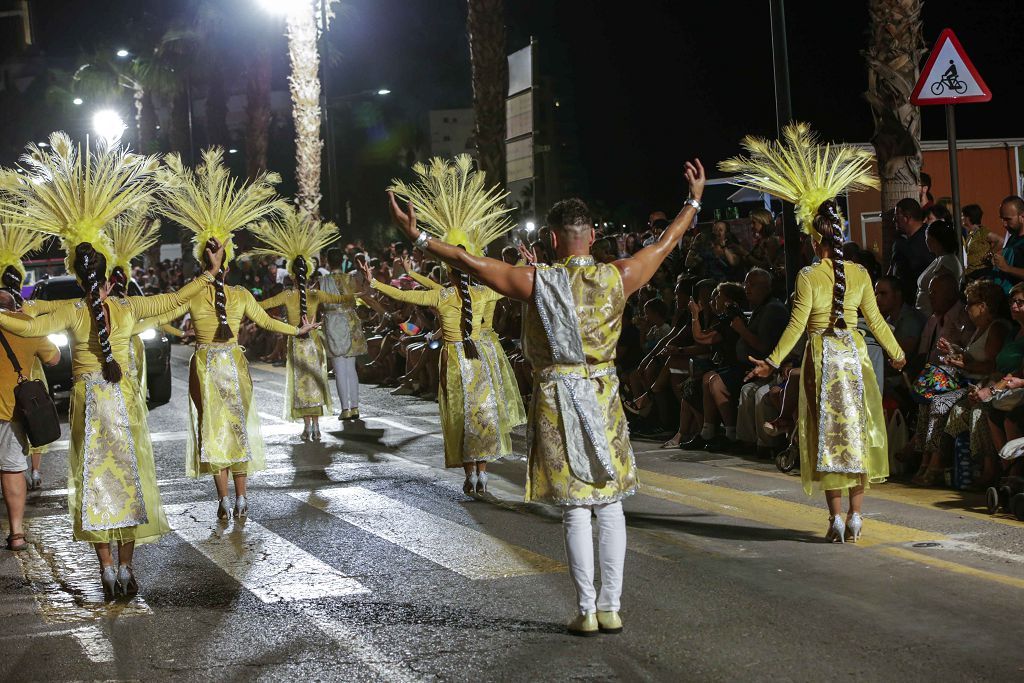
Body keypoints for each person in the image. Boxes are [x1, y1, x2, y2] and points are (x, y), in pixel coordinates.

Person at [385, 151, 706, 635]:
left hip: (557, 397)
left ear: (553, 240)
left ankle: (586, 610)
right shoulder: (618, 276)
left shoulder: (536, 281)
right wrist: (694, 201)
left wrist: (420, 236)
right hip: (602, 395)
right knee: (611, 504)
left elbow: (471, 263)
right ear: (592, 236)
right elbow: (666, 242)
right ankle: (612, 607)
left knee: (576, 509)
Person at [728, 123, 905, 543]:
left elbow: (796, 326)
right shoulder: (860, 273)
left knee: (826, 435)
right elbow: (877, 321)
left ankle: (835, 521)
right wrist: (897, 353)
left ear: (812, 235)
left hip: (823, 359)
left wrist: (771, 363)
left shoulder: (808, 276)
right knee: (858, 432)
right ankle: (858, 518)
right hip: (856, 355)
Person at [156, 150, 316, 518]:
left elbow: (166, 312)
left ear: (204, 264)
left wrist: (167, 332)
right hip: (234, 363)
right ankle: (242, 498)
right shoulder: (242, 295)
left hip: (205, 365)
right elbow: (267, 323)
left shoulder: (196, 293)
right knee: (238, 428)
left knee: (213, 432)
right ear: (227, 263)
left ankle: (225, 500)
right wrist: (298, 329)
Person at [364, 155, 519, 497]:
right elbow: (509, 281)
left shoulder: (441, 296)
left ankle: (471, 474)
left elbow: (404, 293)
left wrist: (375, 284)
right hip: (483, 357)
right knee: (483, 415)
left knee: (461, 418)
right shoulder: (484, 293)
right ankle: (482, 473)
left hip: (454, 359)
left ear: (447, 268)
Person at [252, 206, 349, 441]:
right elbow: (343, 300)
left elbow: (260, 306)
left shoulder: (286, 295)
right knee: (316, 382)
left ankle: (307, 427)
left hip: (296, 341)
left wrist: (243, 300)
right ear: (308, 272)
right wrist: (363, 288)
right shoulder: (315, 294)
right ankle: (316, 426)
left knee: (301, 385)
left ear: (291, 275)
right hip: (314, 343)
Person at [0, 287, 60, 552]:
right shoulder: (27, 325)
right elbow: (54, 358)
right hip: (11, 410)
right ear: (14, 308)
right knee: (12, 469)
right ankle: (17, 534)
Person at [320, 247, 368, 420]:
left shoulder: (322, 281)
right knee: (350, 369)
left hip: (333, 324)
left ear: (327, 260)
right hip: (350, 322)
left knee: (339, 370)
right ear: (342, 260)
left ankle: (345, 409)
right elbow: (360, 298)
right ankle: (355, 407)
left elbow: (319, 303)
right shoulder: (351, 279)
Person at [888, 198, 934, 301]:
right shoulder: (902, 241)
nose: (894, 220)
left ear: (907, 217)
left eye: (896, 216)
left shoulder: (928, 240)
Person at [915, 219, 963, 315]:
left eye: (927, 237)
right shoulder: (939, 259)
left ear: (934, 239)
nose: (925, 240)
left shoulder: (947, 261)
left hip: (930, 315)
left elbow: (941, 292)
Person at [991, 196, 1024, 292]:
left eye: (1008, 219)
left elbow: (1006, 267)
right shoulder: (1013, 237)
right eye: (1002, 219)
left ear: (1022, 216)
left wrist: (1007, 268)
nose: (1004, 224)